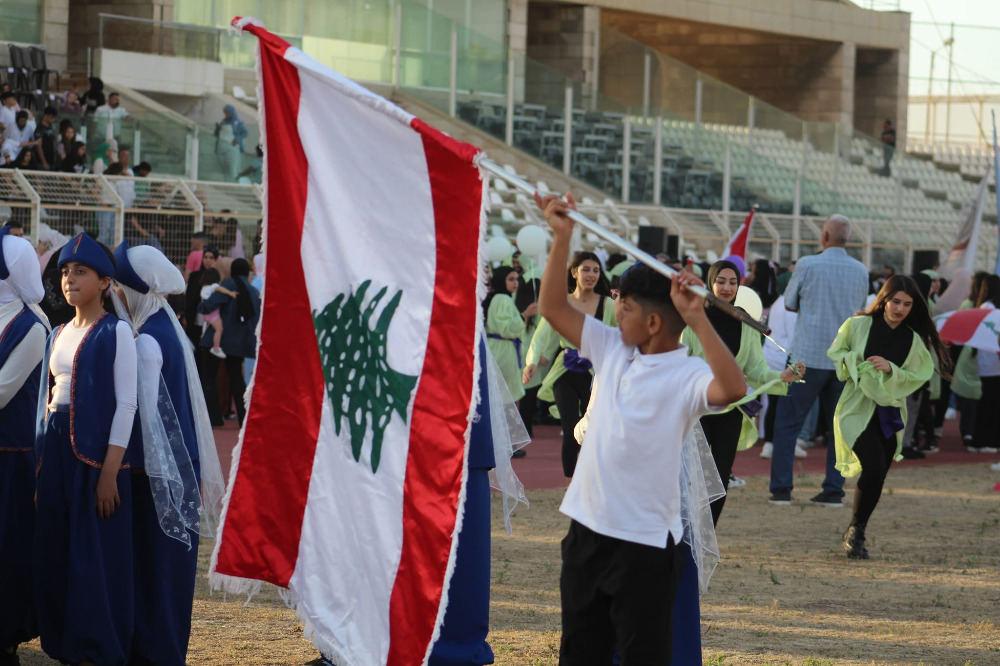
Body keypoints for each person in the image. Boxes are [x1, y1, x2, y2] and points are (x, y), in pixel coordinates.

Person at [535, 191, 745, 664]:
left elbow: (733, 387)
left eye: (624, 307)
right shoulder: (612, 348)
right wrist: (562, 237)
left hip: (646, 545)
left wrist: (696, 316)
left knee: (642, 655)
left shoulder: (686, 373)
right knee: (579, 652)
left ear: (653, 322)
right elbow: (552, 308)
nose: (615, 314)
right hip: (587, 532)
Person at [111, 240, 225, 666]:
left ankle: (154, 651)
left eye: (118, 286)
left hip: (154, 474)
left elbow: (143, 418)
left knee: (155, 570)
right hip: (176, 467)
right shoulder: (164, 326)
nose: (112, 294)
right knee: (169, 573)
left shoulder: (146, 342)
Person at [34, 233, 138, 664]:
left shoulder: (118, 333)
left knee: (92, 554)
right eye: (64, 272)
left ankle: (95, 647)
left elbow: (127, 404)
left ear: (104, 283)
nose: (70, 280)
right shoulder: (57, 331)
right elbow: (49, 397)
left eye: (81, 272)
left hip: (96, 457)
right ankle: (61, 641)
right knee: (56, 547)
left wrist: (110, 472)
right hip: (56, 450)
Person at [828, 275, 948, 559]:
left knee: (878, 474)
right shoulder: (857, 325)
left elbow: (917, 376)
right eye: (895, 301)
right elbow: (837, 351)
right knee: (872, 466)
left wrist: (891, 369)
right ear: (883, 299)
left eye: (907, 304)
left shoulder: (913, 340)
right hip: (855, 409)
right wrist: (853, 362)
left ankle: (857, 528)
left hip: (889, 413)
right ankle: (856, 531)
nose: (900, 308)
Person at [683, 260, 803, 524]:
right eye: (721, 281)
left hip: (731, 409)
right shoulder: (693, 318)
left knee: (720, 476)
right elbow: (678, 362)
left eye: (733, 282)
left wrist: (781, 376)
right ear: (710, 282)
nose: (727, 287)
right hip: (695, 411)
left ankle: (706, 534)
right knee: (694, 477)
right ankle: (686, 532)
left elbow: (756, 368)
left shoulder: (746, 322)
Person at [769, 214, 869, 507]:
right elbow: (860, 310)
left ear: (824, 236)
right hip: (842, 358)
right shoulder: (861, 270)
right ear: (846, 238)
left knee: (788, 423)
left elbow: (789, 303)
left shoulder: (808, 264)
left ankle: (781, 489)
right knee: (839, 426)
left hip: (806, 356)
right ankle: (833, 490)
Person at [522, 251, 616, 480]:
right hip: (565, 370)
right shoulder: (562, 303)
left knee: (594, 426)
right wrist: (532, 361)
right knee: (570, 425)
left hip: (597, 372)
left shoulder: (609, 305)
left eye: (596, 270)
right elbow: (542, 333)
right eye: (586, 270)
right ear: (574, 273)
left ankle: (593, 475)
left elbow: (623, 333)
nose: (591, 275)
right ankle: (570, 480)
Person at [0, 227, 48, 664]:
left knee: (9, 545)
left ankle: (7, 635)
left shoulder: (32, 326)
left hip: (12, 459)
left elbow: (2, 390)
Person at [197, 257, 259, 426]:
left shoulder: (228, 285)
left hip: (217, 341)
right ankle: (243, 418)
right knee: (237, 380)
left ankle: (215, 418)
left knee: (209, 378)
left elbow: (208, 305)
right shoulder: (253, 291)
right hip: (239, 343)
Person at [484, 266, 534, 402]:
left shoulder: (499, 298)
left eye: (516, 279)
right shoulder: (502, 299)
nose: (515, 282)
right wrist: (525, 315)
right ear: (501, 280)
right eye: (511, 279)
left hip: (501, 348)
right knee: (505, 396)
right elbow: (505, 328)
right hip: (503, 350)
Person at [970, 274, 1000, 454]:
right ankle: (988, 439)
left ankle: (982, 439)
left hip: (987, 362)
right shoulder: (991, 307)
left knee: (988, 403)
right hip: (993, 362)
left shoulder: (985, 307)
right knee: (992, 403)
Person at [184, 246, 218, 346]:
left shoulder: (218, 276)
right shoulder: (194, 276)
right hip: (194, 316)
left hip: (212, 319)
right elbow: (189, 297)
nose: (207, 260)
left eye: (211, 258)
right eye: (205, 257)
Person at [200, 267, 236, 359]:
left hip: (206, 315)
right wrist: (230, 293)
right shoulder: (213, 286)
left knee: (211, 326)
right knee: (219, 329)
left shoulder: (204, 288)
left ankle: (203, 335)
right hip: (213, 314)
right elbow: (220, 289)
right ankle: (216, 348)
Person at [215, 105, 247, 182]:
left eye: (227, 113)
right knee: (224, 169)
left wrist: (237, 139)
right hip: (221, 147)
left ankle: (233, 184)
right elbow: (217, 134)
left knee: (233, 168)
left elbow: (245, 133)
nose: (226, 115)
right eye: (225, 113)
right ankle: (226, 184)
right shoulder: (223, 122)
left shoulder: (238, 122)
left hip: (232, 147)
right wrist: (218, 129)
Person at [32, 106, 58, 171]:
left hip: (51, 160)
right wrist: (44, 162)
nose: (53, 120)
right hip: (42, 161)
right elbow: (39, 146)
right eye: (51, 117)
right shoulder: (39, 129)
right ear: (46, 116)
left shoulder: (50, 127)